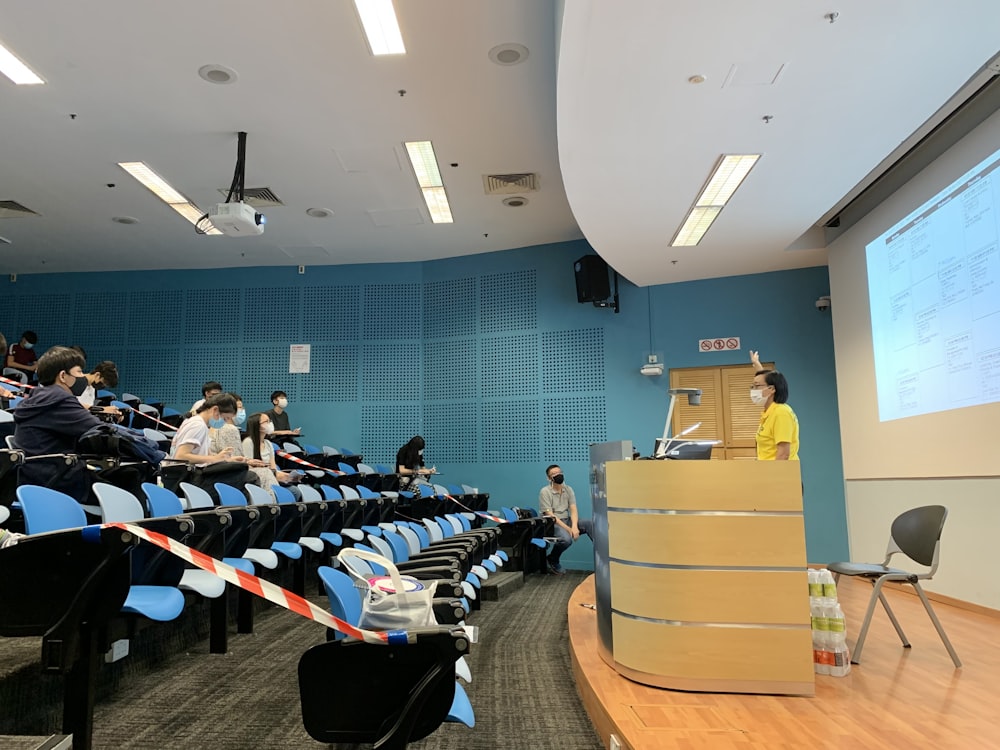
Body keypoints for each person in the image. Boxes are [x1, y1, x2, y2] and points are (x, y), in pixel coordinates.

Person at [13, 346, 104, 502]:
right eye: (79, 372)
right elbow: (99, 428)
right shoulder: (60, 399)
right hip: (56, 480)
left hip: (39, 476)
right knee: (127, 479)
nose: (83, 377)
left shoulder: (39, 397)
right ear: (63, 376)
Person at [538, 464, 593, 575]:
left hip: (567, 519)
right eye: (554, 474)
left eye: (559, 472)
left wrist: (574, 526)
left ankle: (602, 556)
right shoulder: (545, 492)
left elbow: (573, 509)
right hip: (552, 523)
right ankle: (553, 559)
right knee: (566, 540)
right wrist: (569, 529)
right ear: (549, 478)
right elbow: (551, 516)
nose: (558, 475)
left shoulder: (568, 489)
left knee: (589, 523)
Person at [749, 350, 800, 461]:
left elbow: (783, 454)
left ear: (771, 389)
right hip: (766, 471)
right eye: (752, 386)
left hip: (779, 475)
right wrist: (758, 366)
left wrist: (773, 477)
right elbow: (766, 380)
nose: (753, 390)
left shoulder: (781, 413)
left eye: (756, 386)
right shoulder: (769, 413)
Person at [170, 393, 246, 465]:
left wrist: (226, 459)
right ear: (215, 410)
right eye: (225, 418)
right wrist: (215, 458)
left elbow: (204, 455)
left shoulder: (202, 425)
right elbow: (180, 457)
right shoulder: (197, 425)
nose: (224, 422)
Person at [242, 412, 301, 499]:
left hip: (271, 477)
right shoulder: (248, 442)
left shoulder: (268, 444)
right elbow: (248, 467)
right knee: (292, 492)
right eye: (266, 421)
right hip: (258, 480)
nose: (270, 424)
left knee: (295, 491)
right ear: (257, 426)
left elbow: (273, 469)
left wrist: (288, 476)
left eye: (270, 421)